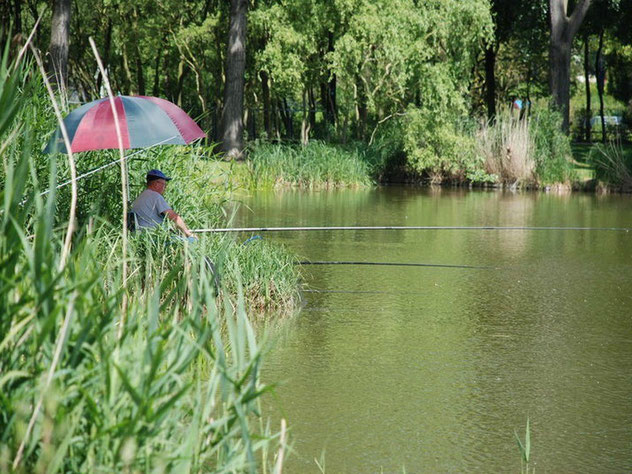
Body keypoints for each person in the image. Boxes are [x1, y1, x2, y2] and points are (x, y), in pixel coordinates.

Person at [130, 169, 195, 239]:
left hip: (142, 236)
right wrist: (188, 233)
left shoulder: (141, 196)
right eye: (164, 184)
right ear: (156, 184)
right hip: (154, 237)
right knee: (193, 241)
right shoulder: (155, 196)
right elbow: (174, 217)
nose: (165, 187)